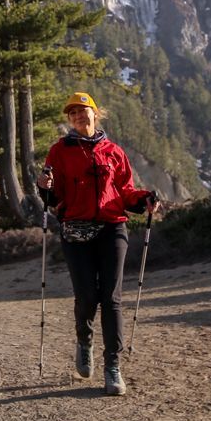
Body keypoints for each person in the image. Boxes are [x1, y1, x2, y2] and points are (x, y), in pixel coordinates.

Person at [37, 91, 158, 397]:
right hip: (75, 230)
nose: (79, 115)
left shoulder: (114, 152)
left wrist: (144, 199)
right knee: (87, 295)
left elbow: (125, 190)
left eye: (84, 110)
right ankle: (84, 340)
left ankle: (113, 367)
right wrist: (45, 188)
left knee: (112, 297)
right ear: (70, 120)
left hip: (112, 227)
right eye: (73, 113)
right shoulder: (59, 151)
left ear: (95, 113)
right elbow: (53, 198)